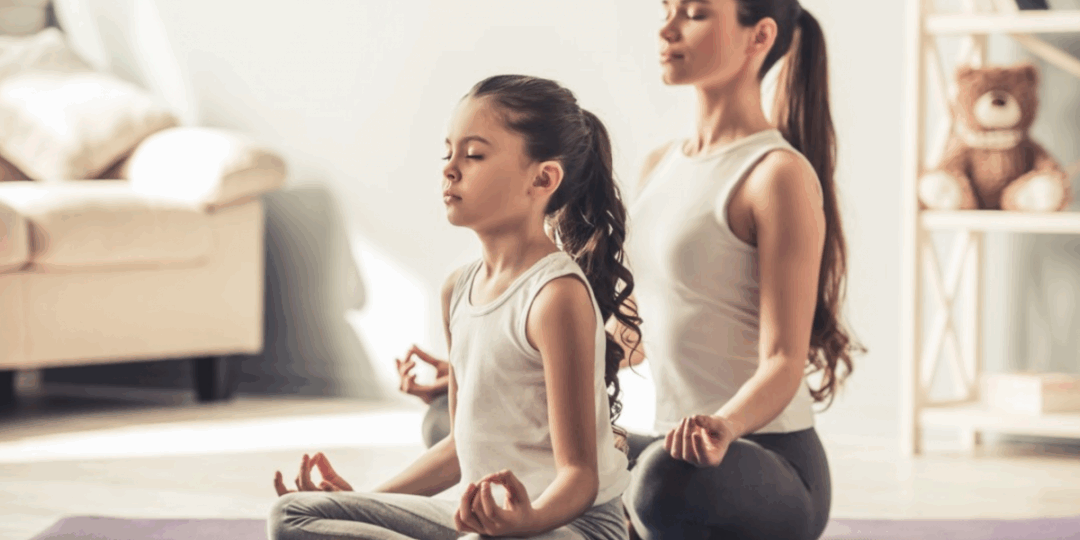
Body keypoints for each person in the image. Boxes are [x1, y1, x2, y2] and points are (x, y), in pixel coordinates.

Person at [394, 0, 864, 538]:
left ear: (759, 37)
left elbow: (784, 360)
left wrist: (724, 426)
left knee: (659, 480)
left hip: (763, 458)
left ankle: (618, 517)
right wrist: (483, 372)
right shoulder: (661, 164)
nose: (667, 27)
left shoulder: (777, 173)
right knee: (451, 429)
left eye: (695, 13)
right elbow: (631, 334)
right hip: (671, 447)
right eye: (668, 8)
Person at [267, 74, 644, 540]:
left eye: (475, 155)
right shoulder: (457, 290)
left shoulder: (556, 296)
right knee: (291, 514)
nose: (450, 169)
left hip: (569, 525)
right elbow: (458, 448)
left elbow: (580, 477)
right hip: (483, 527)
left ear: (543, 178)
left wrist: (524, 522)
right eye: (448, 153)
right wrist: (365, 502)